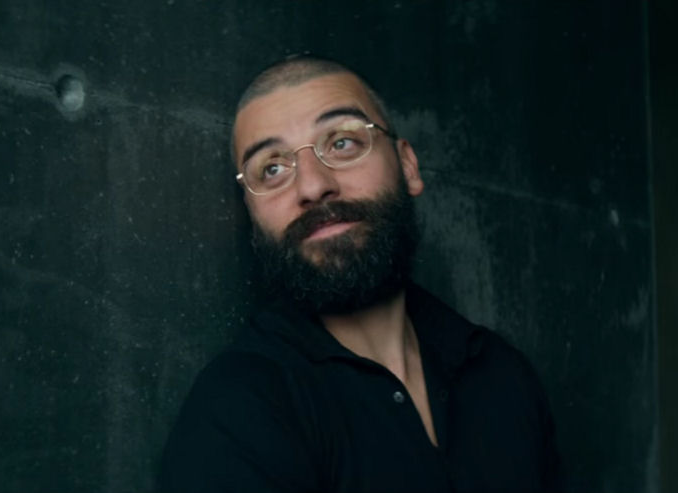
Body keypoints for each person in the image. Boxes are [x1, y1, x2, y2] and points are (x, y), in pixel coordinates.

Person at [160, 55, 562, 493]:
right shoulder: (237, 414)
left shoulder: (502, 376)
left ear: (407, 165)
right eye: (272, 168)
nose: (313, 186)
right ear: (252, 215)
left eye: (342, 143)